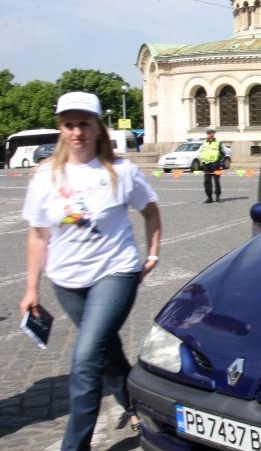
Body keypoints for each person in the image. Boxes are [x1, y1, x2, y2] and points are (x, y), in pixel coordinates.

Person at [19, 91, 162, 450]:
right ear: (61, 129)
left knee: (85, 359)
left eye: (84, 123)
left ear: (98, 127)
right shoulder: (45, 176)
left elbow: (151, 210)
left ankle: (75, 446)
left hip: (114, 272)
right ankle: (136, 405)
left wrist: (153, 255)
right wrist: (31, 289)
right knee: (105, 349)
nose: (77, 132)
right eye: (69, 124)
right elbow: (38, 235)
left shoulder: (121, 172)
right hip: (65, 281)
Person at [199, 127, 224, 203]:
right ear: (207, 134)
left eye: (212, 133)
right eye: (209, 133)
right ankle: (209, 197)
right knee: (207, 181)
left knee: (217, 181)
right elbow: (202, 152)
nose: (210, 134)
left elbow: (222, 154)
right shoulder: (204, 142)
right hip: (206, 164)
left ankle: (218, 197)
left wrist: (219, 163)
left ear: (214, 134)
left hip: (215, 164)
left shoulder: (218, 142)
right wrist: (203, 162)